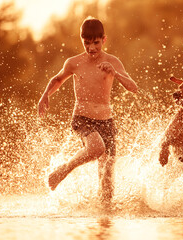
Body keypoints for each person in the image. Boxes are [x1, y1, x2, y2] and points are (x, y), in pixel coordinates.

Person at [38, 17, 138, 209]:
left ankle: (103, 220)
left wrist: (115, 73)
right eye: (87, 43)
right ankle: (64, 170)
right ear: (81, 40)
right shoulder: (74, 62)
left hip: (106, 122)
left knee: (107, 184)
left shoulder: (112, 62)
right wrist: (45, 95)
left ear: (104, 40)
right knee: (95, 148)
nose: (91, 48)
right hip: (82, 118)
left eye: (96, 43)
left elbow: (133, 87)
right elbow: (57, 79)